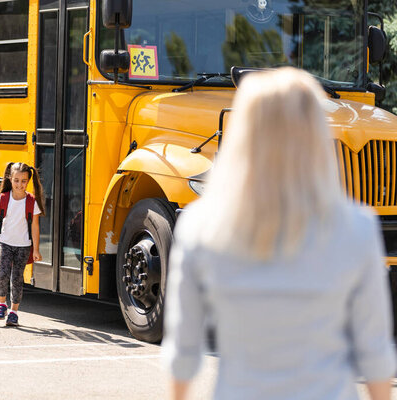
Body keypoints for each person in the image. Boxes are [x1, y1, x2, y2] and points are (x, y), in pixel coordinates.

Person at [162, 67, 396, 400]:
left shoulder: (201, 226)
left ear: (245, 130)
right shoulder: (357, 228)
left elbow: (183, 351)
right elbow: (374, 353)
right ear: (316, 133)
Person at [0, 162, 45, 327]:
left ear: (28, 181)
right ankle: (1, 305)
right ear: (10, 179)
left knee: (17, 279)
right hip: (4, 243)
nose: (20, 184)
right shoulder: (4, 198)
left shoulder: (31, 201)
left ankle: (13, 312)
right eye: (16, 180)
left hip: (23, 246)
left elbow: (35, 226)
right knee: (2, 275)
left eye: (24, 181)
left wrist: (36, 249)